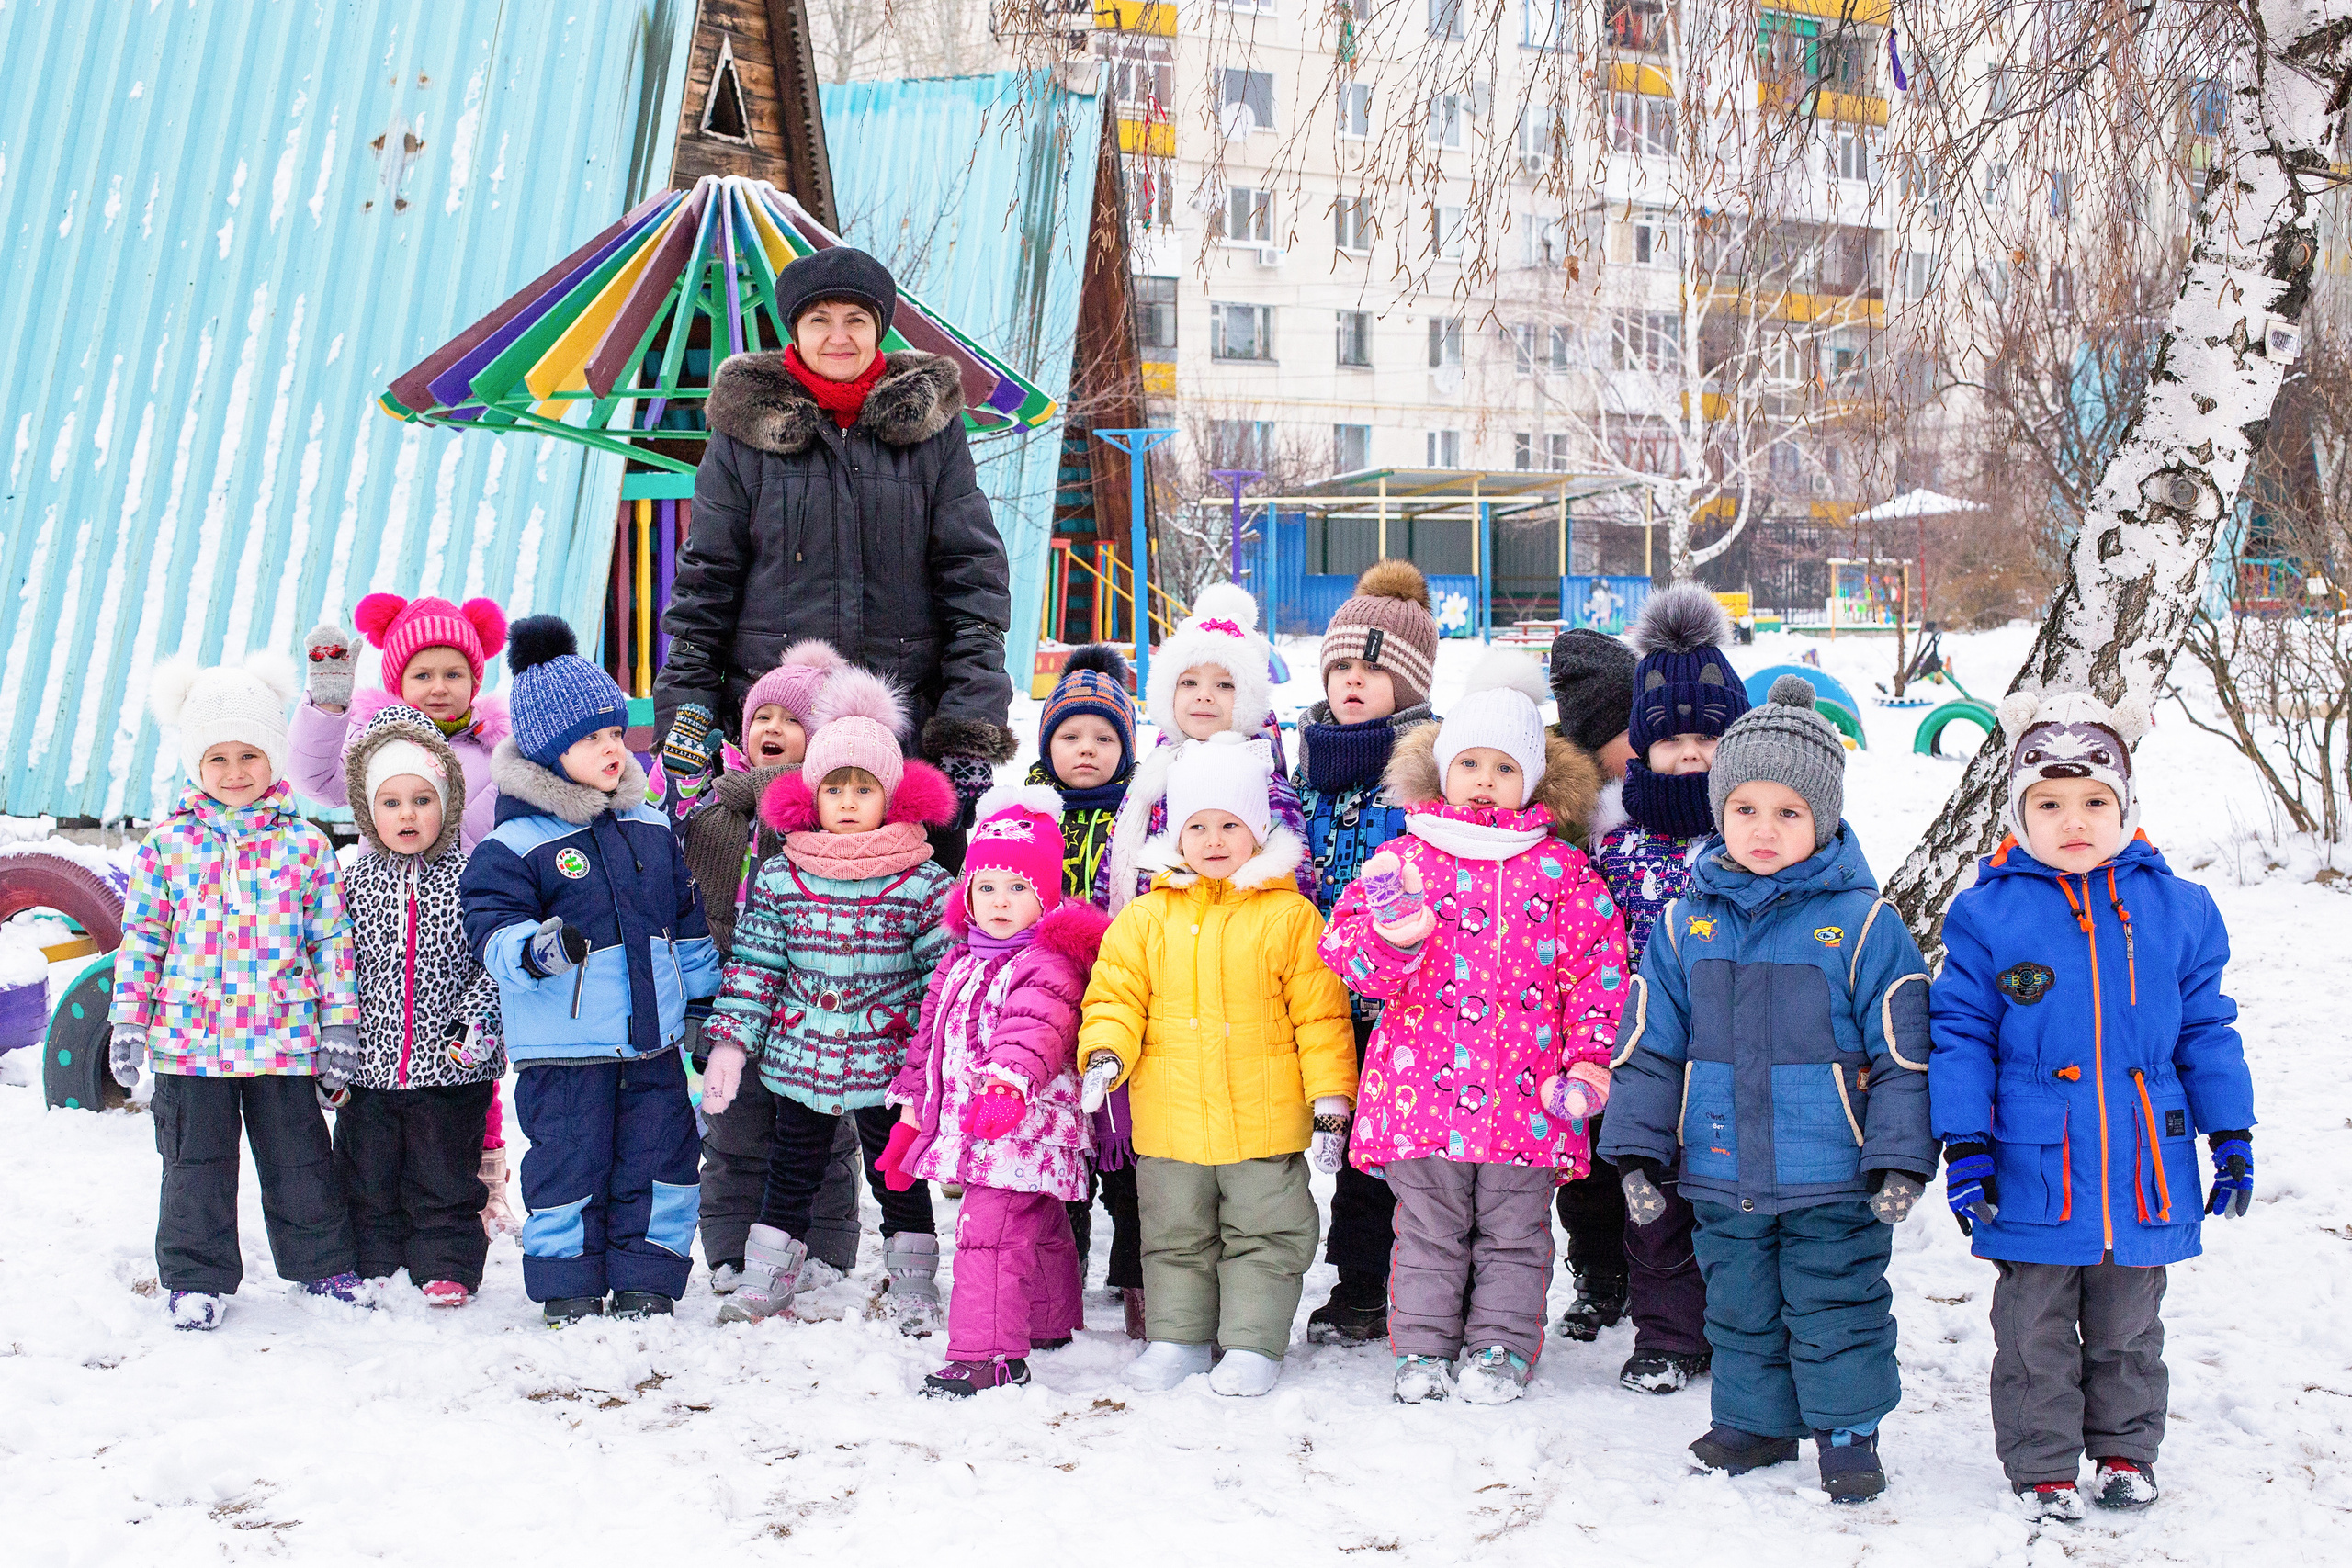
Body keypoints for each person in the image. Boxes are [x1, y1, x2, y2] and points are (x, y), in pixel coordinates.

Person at [1599, 675, 1937, 1503]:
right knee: (1740, 1306)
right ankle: (1754, 1421)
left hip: (1833, 1173)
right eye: (1746, 808)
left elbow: (1905, 1052)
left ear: (1822, 817)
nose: (1764, 828)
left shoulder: (1862, 924)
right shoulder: (1687, 923)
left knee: (1836, 1304)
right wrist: (1639, 1149)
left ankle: (1848, 1430)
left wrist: (1898, 1157)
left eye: (1788, 811)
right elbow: (1649, 1046)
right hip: (1720, 1163)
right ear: (1720, 810)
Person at [1929, 690, 2256, 1521]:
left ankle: (2123, 1451)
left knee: (2129, 1328)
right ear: (2017, 811)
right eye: (2048, 803)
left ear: (2126, 805)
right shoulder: (1986, 913)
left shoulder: (2178, 910)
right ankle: (2041, 1465)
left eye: (2093, 801)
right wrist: (1964, 1143)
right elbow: (1961, 1033)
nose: (2073, 820)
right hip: (2033, 1166)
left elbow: (2209, 1031)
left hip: (2145, 1165)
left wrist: (2233, 1134)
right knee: (2033, 1329)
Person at [1320, 650, 1629, 1404]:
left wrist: (1589, 1061)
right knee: (1426, 1229)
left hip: (1527, 1097)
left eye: (1503, 766)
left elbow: (1598, 972)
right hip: (1423, 1094)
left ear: (1533, 780)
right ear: (1441, 769)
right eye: (1470, 763)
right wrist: (1393, 940)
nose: (1485, 780)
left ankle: (1499, 1346)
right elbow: (1349, 959)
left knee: (1516, 1235)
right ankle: (1423, 1349)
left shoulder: (1561, 871)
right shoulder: (1402, 859)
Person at [658, 245, 1016, 865]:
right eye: (819, 319)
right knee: (775, 934)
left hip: (903, 746)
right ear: (794, 329)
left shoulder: (930, 430)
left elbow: (974, 583)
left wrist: (966, 727)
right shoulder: (747, 432)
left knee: (909, 936)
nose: (838, 335)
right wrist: (688, 713)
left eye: (856, 318)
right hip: (780, 752)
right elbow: (703, 589)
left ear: (879, 327)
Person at [459, 616, 723, 1325]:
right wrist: (533, 949)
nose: (612, 750)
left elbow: (687, 921)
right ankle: (568, 1284)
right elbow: (488, 926)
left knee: (662, 1161)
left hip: (653, 1042)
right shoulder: (514, 845)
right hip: (565, 1048)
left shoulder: (651, 828)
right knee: (570, 1166)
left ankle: (648, 1278)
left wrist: (704, 1003)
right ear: (548, 754)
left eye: (616, 733)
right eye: (591, 740)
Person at [1078, 732, 1356, 1398]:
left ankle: (1253, 1344)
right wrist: (1107, 1051)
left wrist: (1329, 1100)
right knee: (1175, 1234)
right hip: (1170, 1121)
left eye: (1229, 823)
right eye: (1196, 825)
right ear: (1175, 834)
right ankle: (1177, 1337)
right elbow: (1116, 994)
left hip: (1263, 1123)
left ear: (1259, 829)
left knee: (1264, 1233)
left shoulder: (1291, 918)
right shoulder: (1145, 919)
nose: (1212, 838)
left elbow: (1321, 1017)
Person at [109, 654, 366, 1329]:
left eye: (249, 753)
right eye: (217, 757)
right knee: (194, 1166)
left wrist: (340, 1025)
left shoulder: (306, 847)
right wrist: (130, 1020)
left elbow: (331, 943)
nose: (235, 771)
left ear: (273, 756)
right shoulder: (167, 848)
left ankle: (320, 1263)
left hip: (282, 1041)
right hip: (190, 1046)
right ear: (196, 763)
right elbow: (142, 942)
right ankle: (196, 1277)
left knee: (300, 1159)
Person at [696, 668, 956, 1332]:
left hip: (887, 1067)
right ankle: (769, 1270)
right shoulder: (783, 876)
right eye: (832, 786)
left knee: (895, 1171)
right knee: (793, 1165)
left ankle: (914, 1278)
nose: (845, 800)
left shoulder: (922, 881)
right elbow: (755, 967)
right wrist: (730, 1043)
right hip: (802, 1061)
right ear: (811, 794)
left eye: (862, 788)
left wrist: (932, 1067)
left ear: (891, 796)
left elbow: (942, 982)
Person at [292, 593, 520, 1235]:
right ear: (397, 680)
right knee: (388, 1080)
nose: (438, 687)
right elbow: (310, 774)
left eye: (453, 673)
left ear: (477, 679)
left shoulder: (498, 754)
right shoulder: (371, 747)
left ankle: (486, 1183)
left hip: (468, 934)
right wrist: (330, 705)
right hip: (391, 935)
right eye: (422, 674)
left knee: (473, 1070)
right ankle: (384, 1195)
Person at [653, 638, 870, 1295]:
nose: (773, 729)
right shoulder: (716, 802)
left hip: (815, 1001)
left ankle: (824, 1248)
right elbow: (668, 822)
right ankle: (729, 1250)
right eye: (761, 718)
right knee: (732, 1131)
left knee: (824, 1136)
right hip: (733, 1000)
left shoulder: (826, 806)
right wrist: (683, 773)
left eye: (791, 719)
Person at [887, 786, 1111, 1395]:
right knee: (1034, 1226)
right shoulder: (960, 960)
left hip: (1025, 1123)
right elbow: (928, 1041)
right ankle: (1047, 1318)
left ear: (1044, 894)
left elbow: (1033, 1030)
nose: (1000, 901)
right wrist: (911, 1115)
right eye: (986, 887)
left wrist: (1009, 1086)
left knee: (985, 1233)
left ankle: (989, 1356)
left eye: (1018, 888)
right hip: (982, 1128)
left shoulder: (1045, 960)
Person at [1586, 583, 1751, 1394]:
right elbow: (1587, 951)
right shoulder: (1616, 851)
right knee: (1649, 1203)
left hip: (1739, 1055)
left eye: (1711, 735)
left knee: (1735, 1203)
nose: (1691, 753)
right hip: (1642, 1059)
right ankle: (1668, 1335)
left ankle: (1740, 1328)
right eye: (1672, 737)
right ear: (1638, 752)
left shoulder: (1755, 843)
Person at [1289, 560, 1441, 1345]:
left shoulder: (1429, 769)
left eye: (1373, 668)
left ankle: (1375, 1283)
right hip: (1315, 993)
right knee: (1325, 1140)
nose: (1353, 681)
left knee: (1384, 1153)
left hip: (1402, 1003)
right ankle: (1332, 1274)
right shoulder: (1303, 765)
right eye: (1342, 665)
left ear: (1408, 683)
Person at [332, 703, 505, 1308]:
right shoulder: (351, 883)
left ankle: (447, 1259)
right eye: (392, 801)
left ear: (449, 803)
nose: (408, 814)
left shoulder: (472, 878)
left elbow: (493, 960)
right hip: (369, 1068)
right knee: (367, 1173)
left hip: (451, 1062)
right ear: (368, 810)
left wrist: (479, 1020)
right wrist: (333, 1039)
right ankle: (374, 1255)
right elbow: (332, 965)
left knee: (444, 1174)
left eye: (422, 799)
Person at [1024, 644, 1148, 1337]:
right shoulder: (1027, 814)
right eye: (1070, 735)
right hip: (1044, 1008)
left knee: (1126, 1155)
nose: (1087, 749)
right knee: (1059, 1151)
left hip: (1123, 1006)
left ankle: (1137, 1280)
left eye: (1105, 737)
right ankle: (1055, 1280)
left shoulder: (1139, 817)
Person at [1542, 621, 1640, 1338]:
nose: (1643, 742)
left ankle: (1657, 1268)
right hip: (1574, 1011)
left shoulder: (1663, 788)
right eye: (1627, 729)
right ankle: (1600, 1271)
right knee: (1587, 1157)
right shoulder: (1558, 801)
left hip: (1653, 1009)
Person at [1103, 583, 1317, 913]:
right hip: (1156, 942)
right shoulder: (1155, 774)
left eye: (1225, 685)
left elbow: (1295, 882)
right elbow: (1116, 861)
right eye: (1189, 682)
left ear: (1249, 698)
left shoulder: (1263, 780)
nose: (1204, 695)